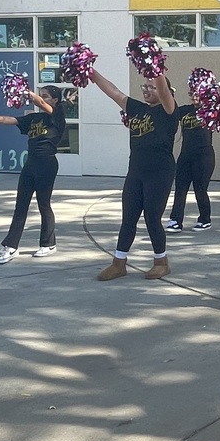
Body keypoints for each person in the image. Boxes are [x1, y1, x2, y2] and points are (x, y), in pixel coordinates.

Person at [90, 68, 178, 281]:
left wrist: (154, 66)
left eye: (152, 87)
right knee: (128, 217)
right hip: (136, 170)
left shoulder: (169, 110)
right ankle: (119, 263)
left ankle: (161, 262)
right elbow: (113, 91)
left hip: (160, 171)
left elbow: (164, 90)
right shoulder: (137, 108)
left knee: (152, 217)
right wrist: (90, 72)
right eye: (144, 86)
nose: (147, 89)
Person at [0, 86, 66, 264]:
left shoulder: (57, 115)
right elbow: (10, 120)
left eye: (45, 96)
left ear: (55, 100)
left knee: (43, 204)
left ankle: (48, 244)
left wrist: (25, 91)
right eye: (41, 96)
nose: (41, 98)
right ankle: (11, 246)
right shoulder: (33, 118)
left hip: (47, 163)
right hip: (30, 164)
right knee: (20, 205)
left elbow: (41, 104)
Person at [166, 87, 215, 233]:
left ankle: (205, 219)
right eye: (191, 94)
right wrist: (167, 94)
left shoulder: (210, 110)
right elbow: (170, 111)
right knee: (180, 188)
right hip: (186, 155)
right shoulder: (185, 110)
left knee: (200, 189)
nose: (194, 97)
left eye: (197, 94)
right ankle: (175, 220)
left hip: (204, 155)